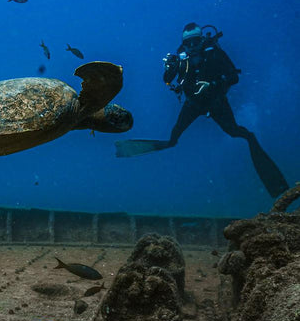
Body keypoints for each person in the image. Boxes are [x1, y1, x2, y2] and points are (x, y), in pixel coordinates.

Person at [115, 22, 289, 198]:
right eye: (188, 43)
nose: (192, 46)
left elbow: (233, 77)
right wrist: (169, 68)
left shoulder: (214, 53)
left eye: (195, 41)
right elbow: (167, 80)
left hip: (216, 102)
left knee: (236, 132)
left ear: (201, 40)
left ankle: (274, 181)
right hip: (193, 104)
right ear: (183, 43)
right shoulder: (181, 59)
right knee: (173, 137)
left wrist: (212, 84)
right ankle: (163, 144)